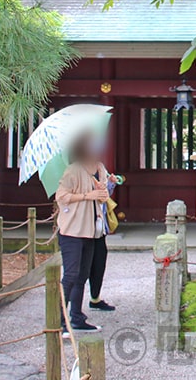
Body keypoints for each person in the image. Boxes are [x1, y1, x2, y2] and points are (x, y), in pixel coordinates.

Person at [55, 133, 110, 334]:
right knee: (70, 275)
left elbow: (103, 198)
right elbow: (61, 196)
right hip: (72, 231)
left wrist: (103, 193)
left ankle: (77, 318)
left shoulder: (100, 168)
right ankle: (58, 319)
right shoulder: (74, 170)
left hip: (92, 230)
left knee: (82, 275)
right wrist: (88, 195)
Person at [87, 174, 123, 312]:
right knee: (81, 269)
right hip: (84, 226)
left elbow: (105, 195)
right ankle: (70, 309)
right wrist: (90, 193)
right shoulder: (77, 173)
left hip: (99, 225)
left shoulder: (100, 168)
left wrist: (110, 183)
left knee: (99, 261)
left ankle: (95, 298)